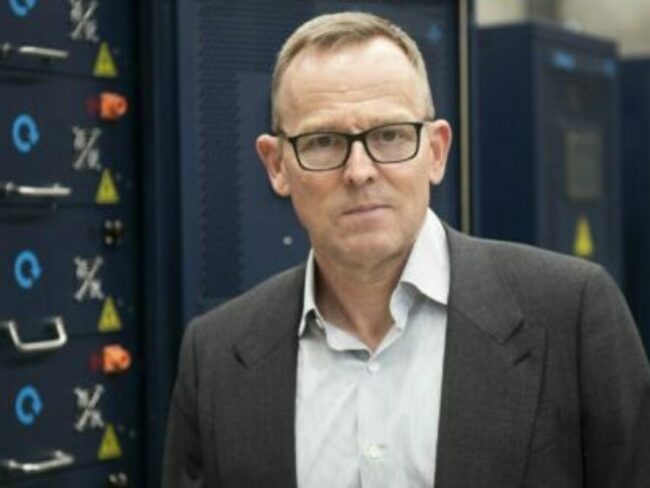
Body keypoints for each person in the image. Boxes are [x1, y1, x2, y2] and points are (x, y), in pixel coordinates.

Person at [162, 11, 650, 488]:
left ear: (436, 151)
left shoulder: (571, 317)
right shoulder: (216, 358)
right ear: (276, 165)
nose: (359, 171)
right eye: (324, 141)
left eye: (390, 135)